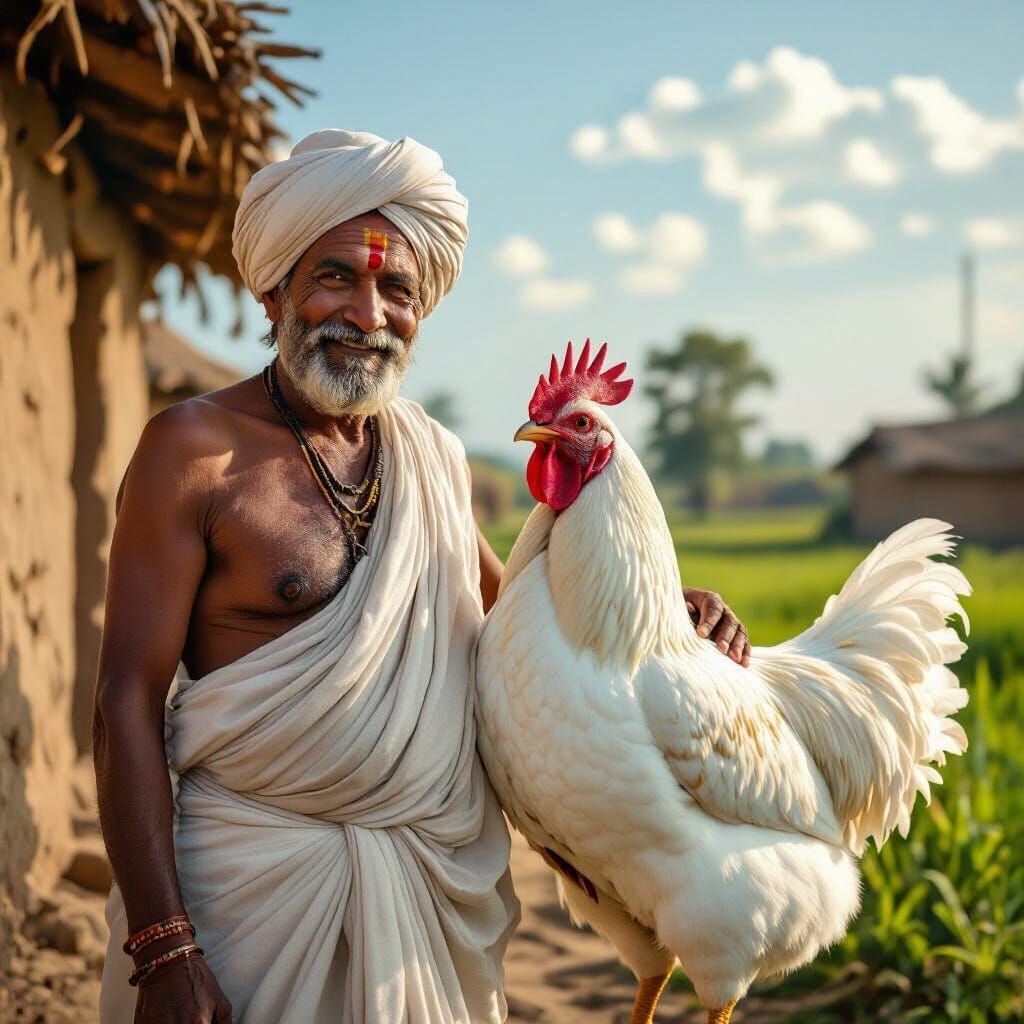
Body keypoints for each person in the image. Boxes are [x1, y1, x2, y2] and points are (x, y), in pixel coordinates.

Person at [93, 129, 753, 1024]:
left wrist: (669, 620)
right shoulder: (192, 453)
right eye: (335, 277)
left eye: (396, 287)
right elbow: (125, 699)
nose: (368, 313)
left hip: (430, 897)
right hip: (247, 896)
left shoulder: (432, 457)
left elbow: (513, 624)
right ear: (273, 288)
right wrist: (163, 947)